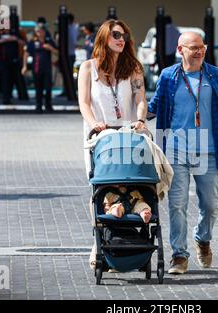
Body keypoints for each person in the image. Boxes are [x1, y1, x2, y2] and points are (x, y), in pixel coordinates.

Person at [148, 32, 218, 275]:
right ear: (180, 50)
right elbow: (154, 107)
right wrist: (133, 118)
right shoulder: (168, 76)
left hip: (208, 150)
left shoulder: (216, 76)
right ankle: (179, 255)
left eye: (202, 47)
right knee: (177, 204)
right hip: (176, 149)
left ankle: (203, 238)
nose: (199, 51)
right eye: (193, 48)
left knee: (210, 205)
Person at [78, 19, 149, 269]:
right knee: (99, 187)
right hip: (100, 137)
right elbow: (84, 103)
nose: (122, 39)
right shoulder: (88, 68)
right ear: (104, 38)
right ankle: (98, 241)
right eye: (116, 35)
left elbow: (141, 99)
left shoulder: (133, 68)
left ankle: (131, 240)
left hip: (128, 135)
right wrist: (95, 123)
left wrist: (141, 119)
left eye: (125, 35)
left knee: (130, 184)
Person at [22, 26, 58, 113]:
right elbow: (26, 54)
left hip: (47, 68)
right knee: (38, 88)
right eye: (37, 32)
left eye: (40, 31)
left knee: (48, 88)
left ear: (44, 32)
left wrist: (50, 48)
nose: (39, 33)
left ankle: (48, 106)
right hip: (37, 68)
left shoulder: (48, 41)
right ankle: (38, 106)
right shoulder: (33, 42)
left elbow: (57, 52)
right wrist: (24, 66)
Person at [0, 28, 26, 105]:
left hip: (15, 61)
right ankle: (6, 98)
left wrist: (15, 39)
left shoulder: (15, 34)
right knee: (5, 81)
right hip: (3, 62)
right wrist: (1, 41)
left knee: (18, 79)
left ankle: (22, 96)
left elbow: (24, 43)